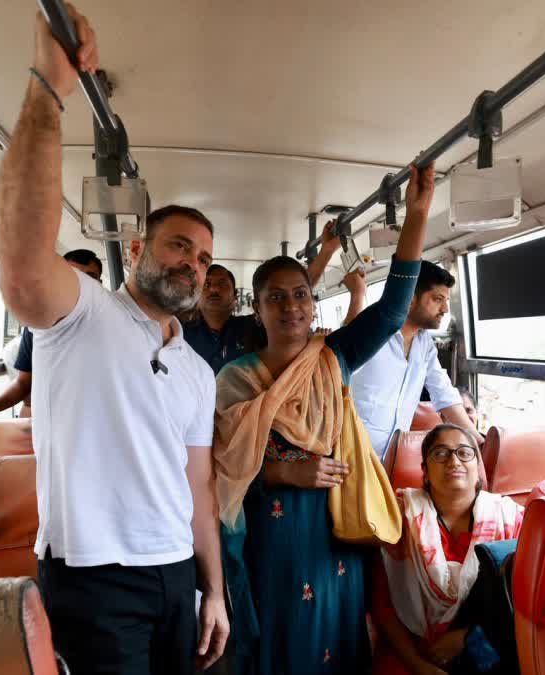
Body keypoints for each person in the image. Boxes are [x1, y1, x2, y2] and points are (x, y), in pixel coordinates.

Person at [0, 7, 227, 672]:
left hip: (174, 571)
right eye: (179, 245)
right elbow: (20, 270)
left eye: (206, 257)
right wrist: (49, 86)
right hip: (93, 576)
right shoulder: (82, 312)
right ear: (135, 246)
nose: (194, 263)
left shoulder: (197, 370)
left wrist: (214, 588)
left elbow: (199, 485)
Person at [212, 163, 435, 674]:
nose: (290, 306)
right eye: (276, 297)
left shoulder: (333, 357)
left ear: (313, 305)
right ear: (258, 309)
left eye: (300, 295)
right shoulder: (235, 380)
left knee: (333, 634)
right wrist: (286, 471)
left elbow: (394, 309)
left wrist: (418, 214)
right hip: (269, 534)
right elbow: (221, 470)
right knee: (278, 635)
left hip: (333, 529)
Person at [370, 424, 525, 675]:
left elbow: (524, 601)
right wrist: (419, 666)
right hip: (412, 649)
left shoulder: (512, 520)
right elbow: (383, 607)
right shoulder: (399, 519)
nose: (454, 460)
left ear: (478, 469)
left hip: (491, 640)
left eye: (464, 453)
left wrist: (467, 636)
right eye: (440, 454)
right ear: (425, 471)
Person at [351, 260, 481, 461]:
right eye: (438, 299)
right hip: (352, 455)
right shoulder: (371, 332)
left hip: (393, 459)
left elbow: (444, 394)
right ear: (410, 298)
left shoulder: (425, 345)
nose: (445, 308)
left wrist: (477, 440)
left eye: (446, 300)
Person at [183, 224, 349, 374]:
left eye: (222, 284)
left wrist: (326, 251)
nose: (214, 289)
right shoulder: (181, 332)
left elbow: (293, 289)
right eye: (207, 284)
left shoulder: (252, 327)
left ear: (235, 296)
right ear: (196, 293)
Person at [0, 249, 104, 417]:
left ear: (100, 284)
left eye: (90, 278)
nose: (81, 285)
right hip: (49, 421)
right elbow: (23, 385)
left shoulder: (109, 324)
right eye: (73, 276)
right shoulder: (38, 326)